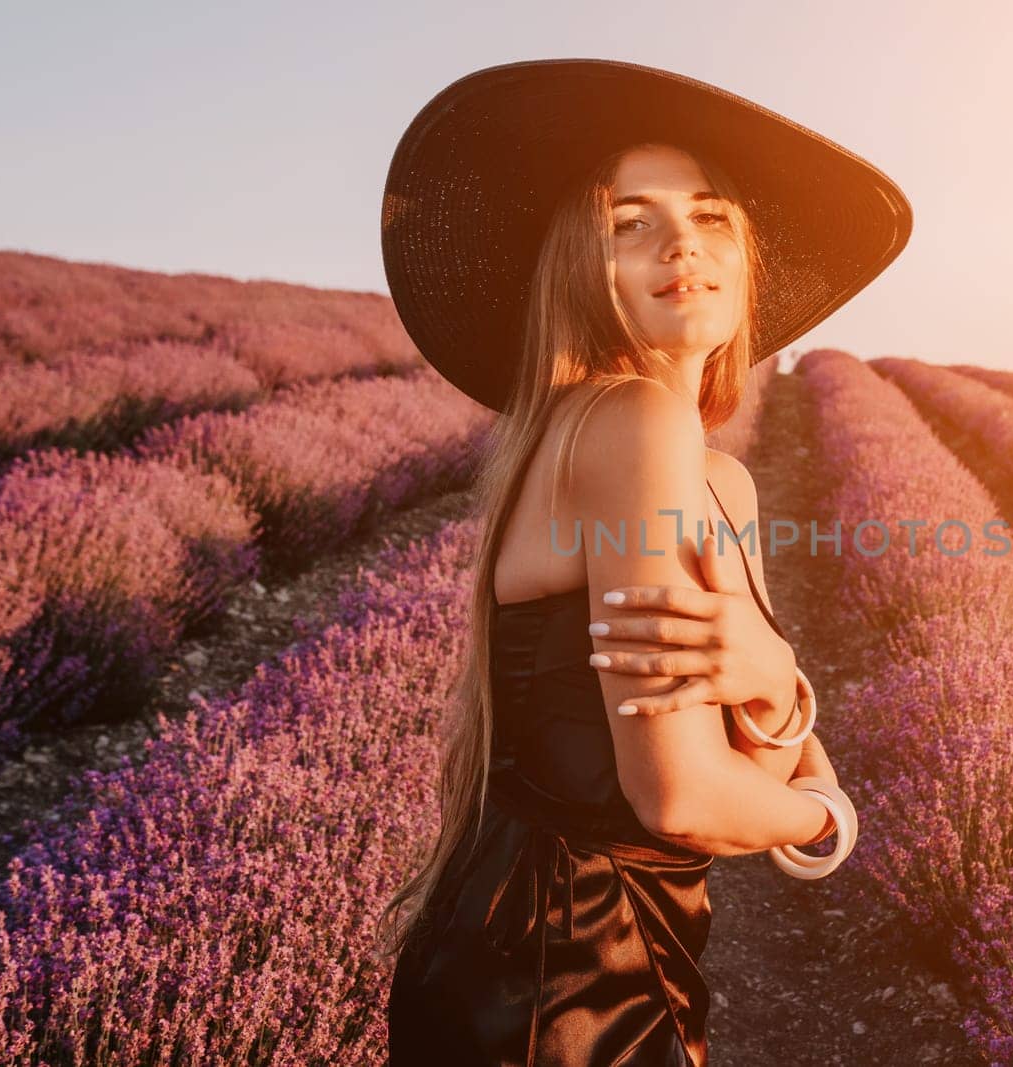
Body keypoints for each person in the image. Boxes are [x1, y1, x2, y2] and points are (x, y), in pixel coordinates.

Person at [374, 59, 912, 1065]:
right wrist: (830, 815)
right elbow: (686, 796)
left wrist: (775, 688)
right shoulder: (630, 423)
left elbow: (752, 758)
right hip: (564, 972)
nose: (682, 245)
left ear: (747, 256)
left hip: (614, 949)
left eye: (712, 217)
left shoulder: (719, 480)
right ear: (582, 263)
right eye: (632, 222)